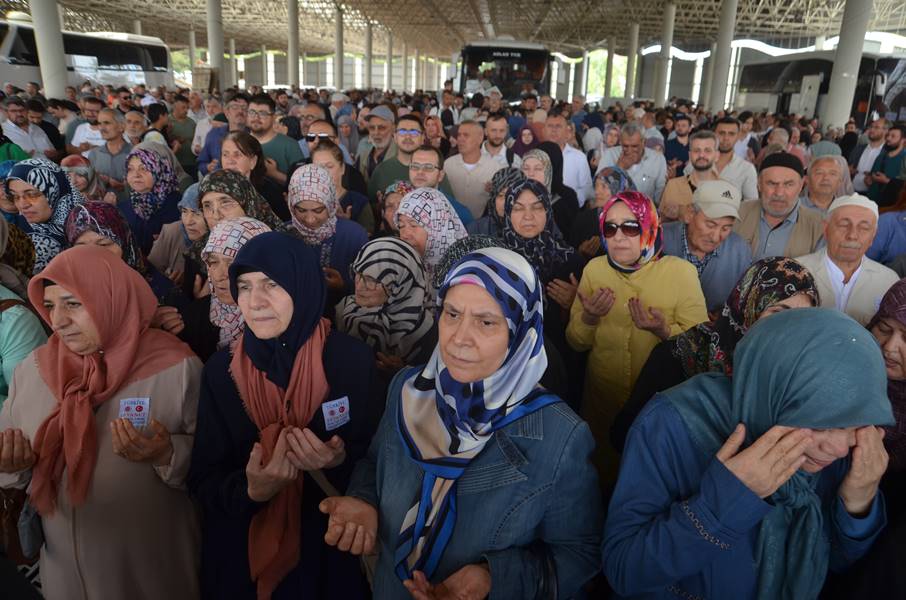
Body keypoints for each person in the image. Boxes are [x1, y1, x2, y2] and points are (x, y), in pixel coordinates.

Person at [325, 247, 604, 599]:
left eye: (486, 322)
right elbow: (374, 462)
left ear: (519, 332)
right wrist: (363, 499)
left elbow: (580, 554)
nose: (459, 338)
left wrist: (494, 578)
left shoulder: (560, 437)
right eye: (452, 313)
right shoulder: (408, 390)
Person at [603, 308, 892, 600]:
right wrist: (722, 505)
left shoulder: (850, 452)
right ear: (777, 389)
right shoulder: (672, 424)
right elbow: (625, 571)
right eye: (821, 423)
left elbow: (836, 566)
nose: (839, 447)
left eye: (855, 425)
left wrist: (858, 504)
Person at [0, 245, 202, 600]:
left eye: (73, 304)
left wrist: (168, 453)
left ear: (110, 297)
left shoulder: (175, 367)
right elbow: (12, 454)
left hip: (149, 568)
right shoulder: (34, 371)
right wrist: (10, 467)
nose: (58, 320)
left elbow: (212, 464)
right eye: (50, 306)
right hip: (64, 573)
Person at [187, 232, 379, 600]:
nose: (255, 302)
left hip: (329, 553)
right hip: (243, 556)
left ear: (301, 283)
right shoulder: (221, 372)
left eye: (271, 284)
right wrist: (251, 490)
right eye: (243, 286)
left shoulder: (350, 361)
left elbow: (375, 456)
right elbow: (203, 478)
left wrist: (339, 461)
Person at [567, 190, 707, 482]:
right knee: (598, 479)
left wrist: (663, 330)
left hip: (655, 406)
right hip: (601, 402)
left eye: (631, 227)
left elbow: (701, 347)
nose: (619, 237)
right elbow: (575, 342)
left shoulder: (681, 273)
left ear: (649, 227)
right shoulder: (594, 269)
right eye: (610, 227)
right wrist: (590, 317)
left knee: (645, 480)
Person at [613, 257, 819, 452]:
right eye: (777, 312)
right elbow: (626, 435)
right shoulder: (677, 355)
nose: (790, 328)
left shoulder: (801, 376)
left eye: (803, 318)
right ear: (746, 306)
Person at [337, 237, 436, 376]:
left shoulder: (428, 333)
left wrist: (404, 373)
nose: (359, 285)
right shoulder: (342, 310)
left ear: (401, 286)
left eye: (373, 280)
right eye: (358, 273)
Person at [796, 195, 898, 325]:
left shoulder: (888, 280)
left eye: (864, 228)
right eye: (844, 225)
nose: (852, 235)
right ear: (826, 229)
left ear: (873, 236)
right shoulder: (796, 271)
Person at [661, 180, 753, 314]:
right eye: (710, 225)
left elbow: (744, 303)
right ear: (689, 214)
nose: (715, 237)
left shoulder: (740, 250)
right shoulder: (659, 240)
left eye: (726, 228)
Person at [64, 201, 174, 301]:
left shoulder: (158, 290)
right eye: (81, 247)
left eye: (103, 244)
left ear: (125, 244)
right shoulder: (62, 291)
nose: (93, 256)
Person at [287, 164, 368, 297]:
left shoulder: (354, 236)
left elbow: (371, 288)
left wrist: (343, 285)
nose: (310, 219)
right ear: (291, 206)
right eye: (301, 210)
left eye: (318, 210)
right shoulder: (283, 235)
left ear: (331, 204)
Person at [735, 152, 825, 260]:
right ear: (759, 184)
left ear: (801, 186)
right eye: (772, 184)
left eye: (788, 184)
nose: (779, 193)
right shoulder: (736, 214)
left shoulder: (819, 227)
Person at [201, 216, 272, 351]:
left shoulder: (280, 316)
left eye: (232, 263)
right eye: (213, 262)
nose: (220, 275)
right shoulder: (194, 317)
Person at [6, 158, 86, 273]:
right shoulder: (14, 229)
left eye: (32, 194)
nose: (23, 205)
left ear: (55, 191)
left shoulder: (90, 226)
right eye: (15, 196)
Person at [395, 187, 467, 287]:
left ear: (439, 226)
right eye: (401, 226)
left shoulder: (461, 273)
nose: (405, 235)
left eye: (413, 225)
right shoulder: (399, 266)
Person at [121, 147, 182, 255]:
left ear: (159, 171)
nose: (136, 175)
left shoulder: (176, 205)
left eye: (143, 168)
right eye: (130, 169)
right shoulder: (124, 207)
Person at [219, 131, 290, 221]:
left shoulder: (270, 191)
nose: (230, 161)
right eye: (225, 155)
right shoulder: (211, 188)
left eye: (237, 155)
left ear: (253, 161)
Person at [684, 117, 759, 201]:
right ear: (714, 135)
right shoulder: (696, 163)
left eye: (731, 134)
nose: (726, 138)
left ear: (738, 136)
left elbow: (751, 203)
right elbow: (682, 194)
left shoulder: (746, 169)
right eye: (721, 133)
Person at [659, 130, 722, 222]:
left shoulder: (726, 190)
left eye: (707, 150)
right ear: (689, 155)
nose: (701, 155)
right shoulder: (673, 186)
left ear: (717, 156)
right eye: (697, 150)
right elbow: (661, 222)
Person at [311, 141, 373, 234]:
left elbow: (367, 241)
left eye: (329, 166)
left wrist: (346, 225)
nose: (323, 172)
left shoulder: (359, 202)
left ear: (342, 168)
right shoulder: (305, 204)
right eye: (317, 167)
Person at [148, 183, 207, 282]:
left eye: (197, 213)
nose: (188, 222)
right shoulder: (172, 232)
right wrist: (167, 284)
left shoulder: (226, 244)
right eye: (184, 211)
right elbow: (151, 273)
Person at [597, 123, 667, 205]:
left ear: (644, 142)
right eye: (625, 146)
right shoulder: (610, 154)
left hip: (645, 213)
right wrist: (619, 168)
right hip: (615, 211)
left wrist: (669, 186)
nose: (629, 150)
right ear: (620, 142)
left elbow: (659, 198)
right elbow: (599, 190)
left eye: (634, 146)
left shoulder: (658, 159)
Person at [443, 120, 501, 218]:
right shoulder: (448, 165)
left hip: (480, 227)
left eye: (466, 135)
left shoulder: (494, 168)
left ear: (480, 138)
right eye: (459, 135)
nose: (460, 139)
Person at [198, 168, 285, 233]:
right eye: (207, 206)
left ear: (248, 206)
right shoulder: (201, 252)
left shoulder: (279, 245)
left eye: (225, 203)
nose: (216, 216)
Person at [522, 143, 581, 235]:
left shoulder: (567, 197)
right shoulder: (520, 193)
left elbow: (573, 235)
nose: (531, 173)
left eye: (539, 167)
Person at [247, 94, 303, 185]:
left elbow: (302, 185)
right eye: (252, 112)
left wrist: (275, 174)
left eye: (263, 113)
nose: (256, 118)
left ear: (273, 117)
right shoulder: (239, 142)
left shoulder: (290, 145)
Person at [545, 113, 593, 206]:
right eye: (550, 126)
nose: (553, 130)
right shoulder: (536, 155)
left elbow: (587, 189)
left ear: (566, 131)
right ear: (544, 129)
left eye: (558, 126)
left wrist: (571, 200)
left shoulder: (579, 157)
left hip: (571, 209)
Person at [467, 167, 525, 236]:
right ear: (493, 198)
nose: (506, 202)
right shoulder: (476, 230)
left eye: (512, 196)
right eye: (501, 195)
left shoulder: (534, 228)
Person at [865, 124, 905, 207]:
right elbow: (872, 174)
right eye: (888, 135)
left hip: (889, 207)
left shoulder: (904, 159)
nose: (888, 138)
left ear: (903, 140)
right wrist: (868, 178)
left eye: (893, 136)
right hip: (870, 203)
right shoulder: (881, 155)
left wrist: (887, 181)